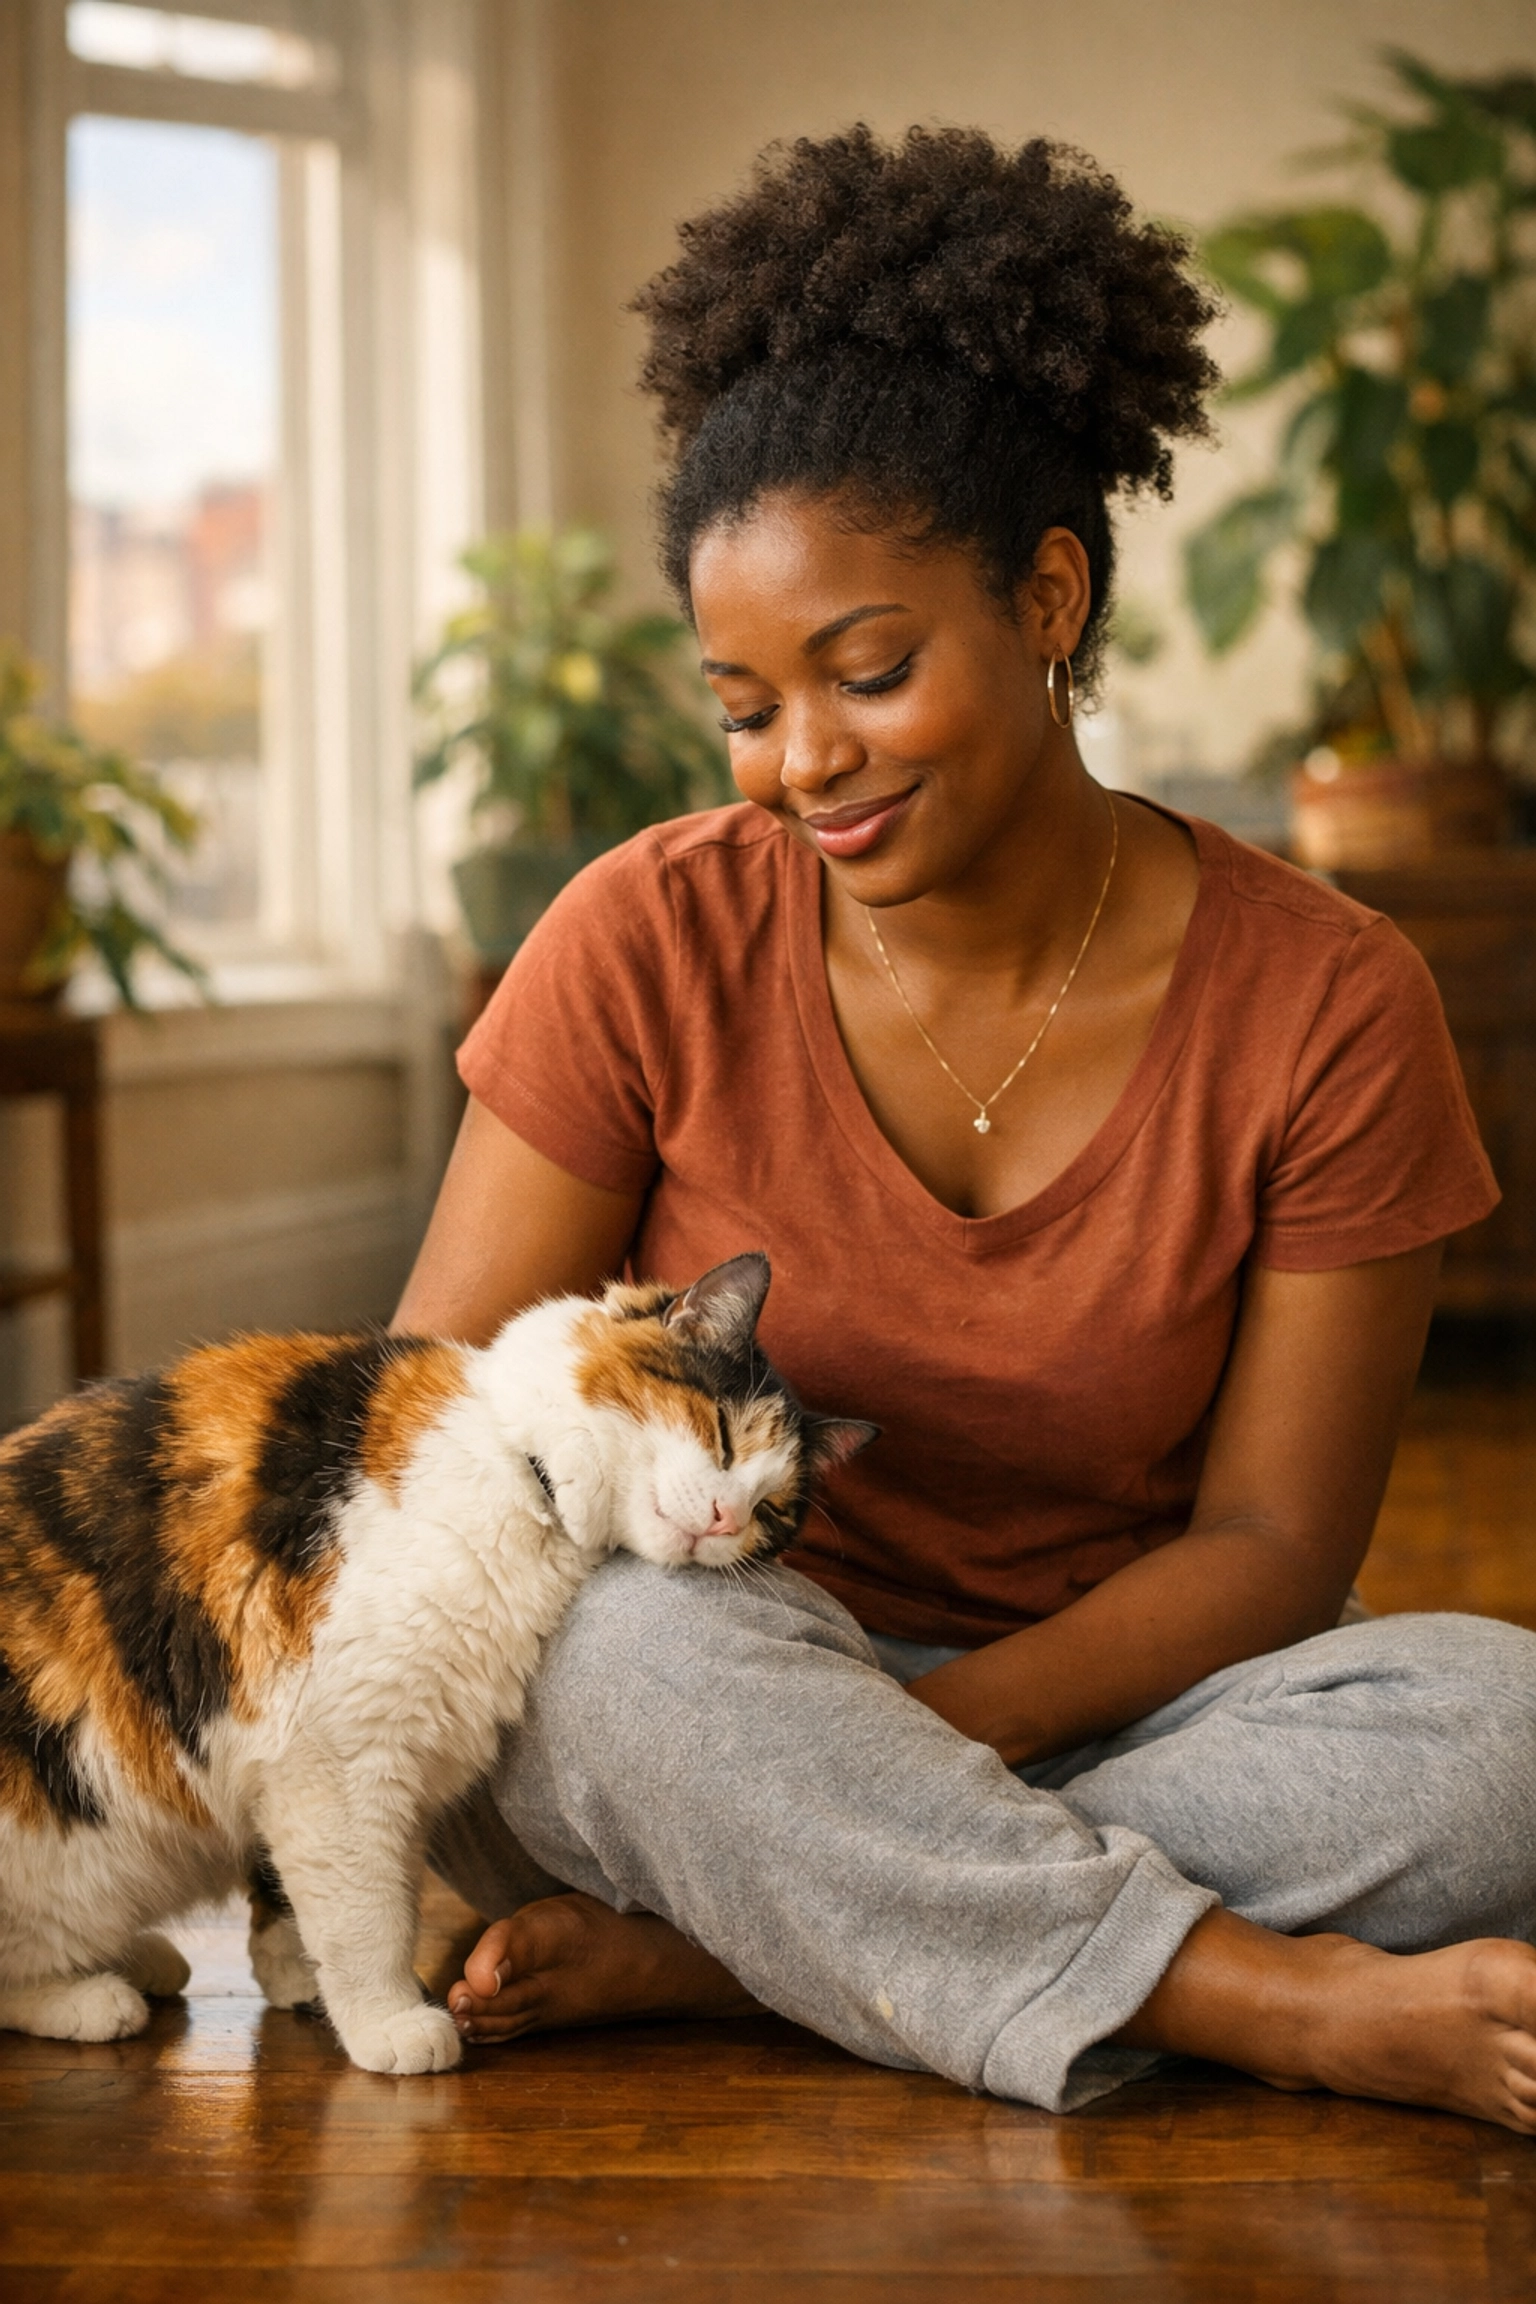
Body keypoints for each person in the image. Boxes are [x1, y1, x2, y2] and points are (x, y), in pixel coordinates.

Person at [399, 127, 1536, 2129]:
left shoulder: (1333, 1000)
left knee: (1504, 1740)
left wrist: (900, 1769)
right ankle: (1259, 1999)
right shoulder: (644, 938)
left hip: (1103, 1701)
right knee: (618, 1662)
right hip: (688, 1685)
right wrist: (790, 1726)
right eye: (742, 703)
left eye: (867, 671)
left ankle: (729, 1960)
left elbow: (1277, 1547)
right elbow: (434, 1439)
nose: (798, 765)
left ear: (1051, 595)